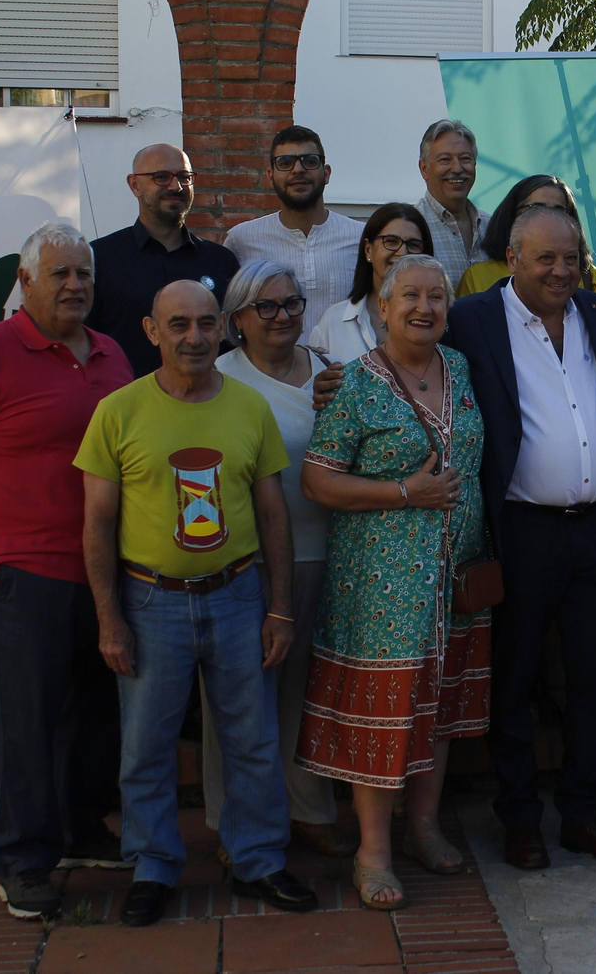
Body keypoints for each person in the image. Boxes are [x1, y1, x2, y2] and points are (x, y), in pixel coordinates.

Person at [76, 280, 317, 927]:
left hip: (237, 595)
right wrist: (109, 618)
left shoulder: (249, 407)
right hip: (150, 602)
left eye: (207, 323)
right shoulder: (118, 412)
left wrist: (280, 607)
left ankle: (258, 860)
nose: (195, 337)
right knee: (146, 746)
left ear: (223, 328)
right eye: (178, 324)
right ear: (152, 331)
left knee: (252, 740)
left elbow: (274, 513)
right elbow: (97, 523)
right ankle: (153, 867)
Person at [0, 222, 134, 921]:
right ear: (25, 281)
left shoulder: (111, 354)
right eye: (60, 274)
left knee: (93, 713)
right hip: (23, 571)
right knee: (28, 721)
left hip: (105, 568)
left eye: (84, 274)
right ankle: (22, 859)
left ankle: (79, 830)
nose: (75, 285)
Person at [443, 205, 596, 870]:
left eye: (571, 257)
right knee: (515, 678)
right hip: (520, 530)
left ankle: (583, 812)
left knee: (594, 679)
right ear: (513, 259)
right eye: (546, 258)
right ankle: (520, 817)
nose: (561, 270)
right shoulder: (471, 319)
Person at [296, 255, 490, 910]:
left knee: (439, 703)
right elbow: (316, 480)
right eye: (409, 295)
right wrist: (406, 492)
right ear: (382, 307)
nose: (424, 307)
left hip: (455, 574)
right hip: (382, 585)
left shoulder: (459, 367)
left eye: (436, 296)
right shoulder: (355, 383)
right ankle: (373, 852)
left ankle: (424, 827)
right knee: (383, 710)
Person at [201, 261, 355, 863]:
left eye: (292, 303)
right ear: (237, 318)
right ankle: (231, 820)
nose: (282, 316)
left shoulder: (329, 373)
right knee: (235, 698)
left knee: (308, 693)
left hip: (325, 554)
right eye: (265, 306)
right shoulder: (218, 378)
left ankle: (310, 810)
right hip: (246, 563)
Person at [89, 144, 239, 377]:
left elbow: (234, 345)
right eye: (161, 177)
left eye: (184, 177)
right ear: (134, 185)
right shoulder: (100, 258)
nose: (175, 186)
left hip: (207, 397)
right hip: (127, 397)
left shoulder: (221, 262)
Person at [223, 127, 365, 325]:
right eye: (285, 163)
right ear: (270, 175)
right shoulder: (242, 240)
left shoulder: (361, 237)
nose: (298, 169)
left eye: (310, 161)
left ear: (326, 173)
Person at [309, 203, 435, 365]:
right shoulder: (334, 323)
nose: (403, 253)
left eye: (413, 245)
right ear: (368, 249)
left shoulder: (436, 319)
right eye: (391, 241)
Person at [461, 175, 596, 296]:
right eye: (537, 209)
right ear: (512, 215)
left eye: (558, 211)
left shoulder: (588, 276)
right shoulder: (476, 278)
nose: (548, 218)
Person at [415, 119, 489, 288]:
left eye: (465, 158)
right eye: (445, 160)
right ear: (424, 169)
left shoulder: (491, 226)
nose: (457, 168)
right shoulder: (413, 228)